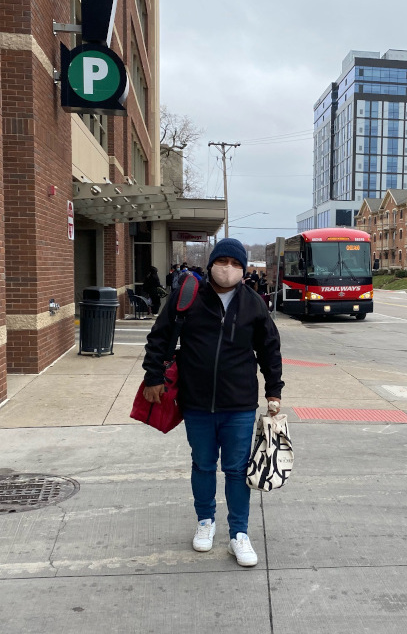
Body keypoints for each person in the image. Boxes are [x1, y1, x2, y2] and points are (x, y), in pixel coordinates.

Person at [142, 238, 284, 568]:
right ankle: (205, 521)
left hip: (239, 404)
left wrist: (274, 391)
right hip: (197, 402)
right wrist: (153, 377)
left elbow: (270, 350)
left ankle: (239, 534)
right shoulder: (189, 297)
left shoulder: (253, 303)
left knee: (236, 470)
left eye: (236, 264)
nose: (228, 269)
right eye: (223, 262)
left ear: (244, 269)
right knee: (203, 464)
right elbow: (159, 337)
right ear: (211, 264)